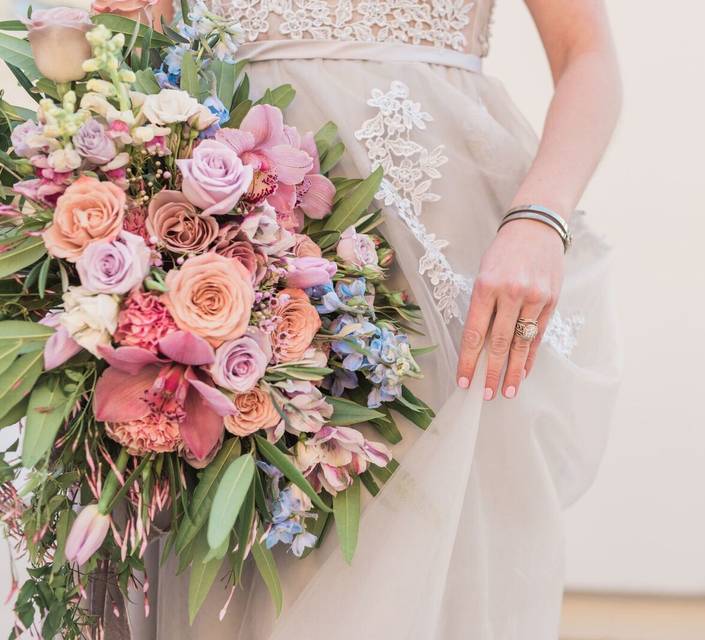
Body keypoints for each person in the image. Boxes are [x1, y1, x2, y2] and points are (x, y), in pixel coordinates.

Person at [141, 1, 622, 638]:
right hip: (227, 226)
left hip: (438, 245)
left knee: (414, 557)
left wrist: (542, 218)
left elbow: (587, 53)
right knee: (248, 568)